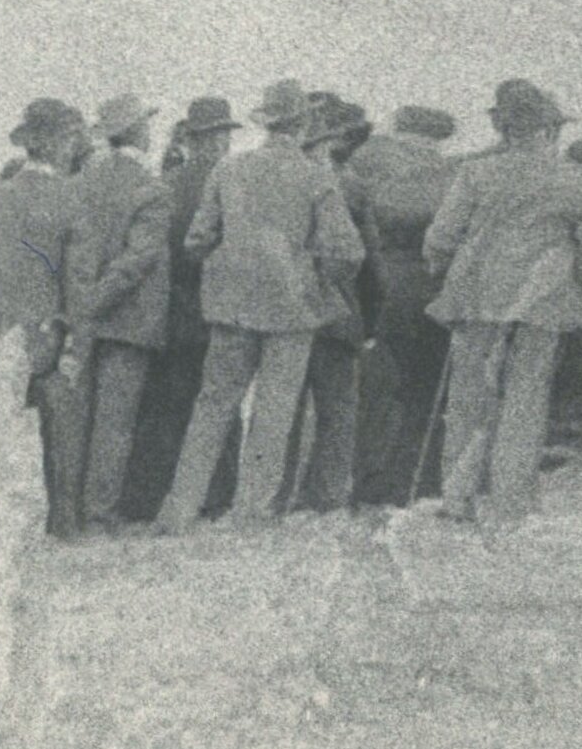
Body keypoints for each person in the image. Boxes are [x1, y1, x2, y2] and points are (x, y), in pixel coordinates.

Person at [155, 77, 367, 532]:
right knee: (275, 408)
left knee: (212, 405)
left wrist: (230, 266)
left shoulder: (228, 169)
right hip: (293, 309)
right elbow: (348, 251)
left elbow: (197, 239)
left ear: (266, 122)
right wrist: (315, 280)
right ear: (304, 123)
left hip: (230, 307)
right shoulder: (316, 177)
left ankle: (179, 509)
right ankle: (252, 512)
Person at [423, 78, 582, 527]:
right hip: (542, 304)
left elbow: (440, 238)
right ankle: (510, 503)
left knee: (469, 397)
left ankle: (457, 498)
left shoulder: (474, 174)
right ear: (548, 130)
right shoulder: (576, 180)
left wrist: (441, 267)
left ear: (504, 130)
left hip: (476, 301)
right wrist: (579, 280)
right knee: (525, 400)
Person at [121, 95, 241, 526]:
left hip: (173, 306)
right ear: (222, 138)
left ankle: (151, 497)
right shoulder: (234, 184)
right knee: (218, 403)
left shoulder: (165, 182)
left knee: (166, 405)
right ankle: (216, 496)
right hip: (220, 307)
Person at [0, 98, 89, 538]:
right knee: (63, 431)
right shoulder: (71, 199)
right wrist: (77, 343)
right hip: (52, 334)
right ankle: (63, 523)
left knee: (1, 435)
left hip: (2, 334)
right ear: (60, 144)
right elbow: (78, 283)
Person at [63, 95, 171, 533]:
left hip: (84, 315)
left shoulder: (82, 182)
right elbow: (138, 260)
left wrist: (83, 302)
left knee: (78, 416)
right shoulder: (152, 187)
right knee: (115, 423)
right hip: (129, 319)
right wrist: (100, 298)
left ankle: (68, 511)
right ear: (138, 131)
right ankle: (100, 512)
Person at [342, 105, 457, 504]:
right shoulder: (446, 177)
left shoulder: (365, 165)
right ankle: (418, 480)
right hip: (431, 293)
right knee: (421, 393)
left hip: (381, 293)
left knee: (377, 392)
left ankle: (370, 478)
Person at [282, 94, 372, 513]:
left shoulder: (276, 180)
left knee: (286, 407)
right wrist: (368, 316)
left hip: (287, 311)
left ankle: (280, 493)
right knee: (337, 407)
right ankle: (329, 496)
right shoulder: (348, 185)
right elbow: (368, 257)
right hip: (338, 312)